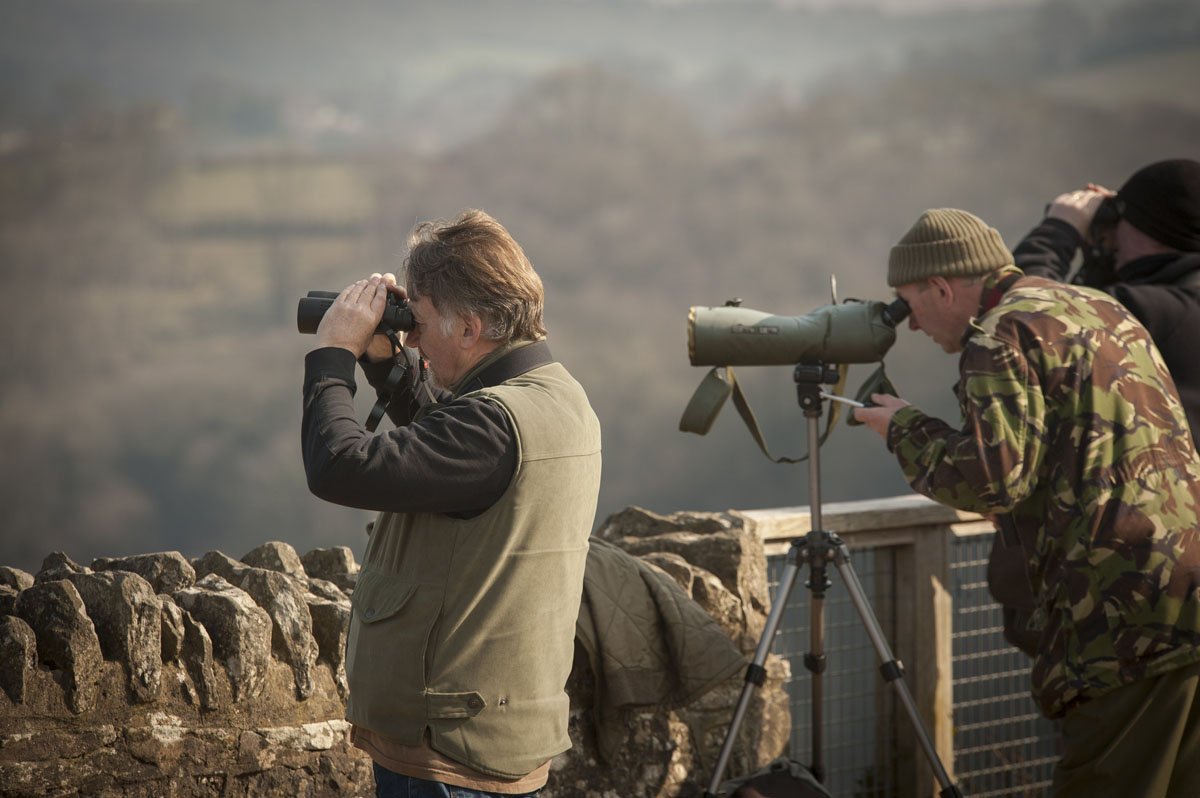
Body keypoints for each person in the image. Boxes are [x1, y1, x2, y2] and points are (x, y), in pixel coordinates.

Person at [853, 207, 1200, 797]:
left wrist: (904, 429)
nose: (908, 326)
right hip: (1187, 593)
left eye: (906, 305)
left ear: (940, 287)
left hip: (1123, 621)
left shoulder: (999, 335)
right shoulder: (1099, 307)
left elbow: (992, 480)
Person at [301, 209, 603, 798]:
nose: (410, 334)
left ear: (469, 329)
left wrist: (333, 355)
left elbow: (338, 465)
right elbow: (452, 455)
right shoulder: (558, 398)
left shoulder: (491, 426)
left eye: (420, 316)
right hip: (493, 739)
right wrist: (386, 365)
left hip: (448, 760)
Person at [1013, 158, 1200, 446]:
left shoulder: (1153, 310)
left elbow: (1022, 313)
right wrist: (1100, 257)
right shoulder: (1177, 306)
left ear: (1151, 229)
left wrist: (1059, 229)